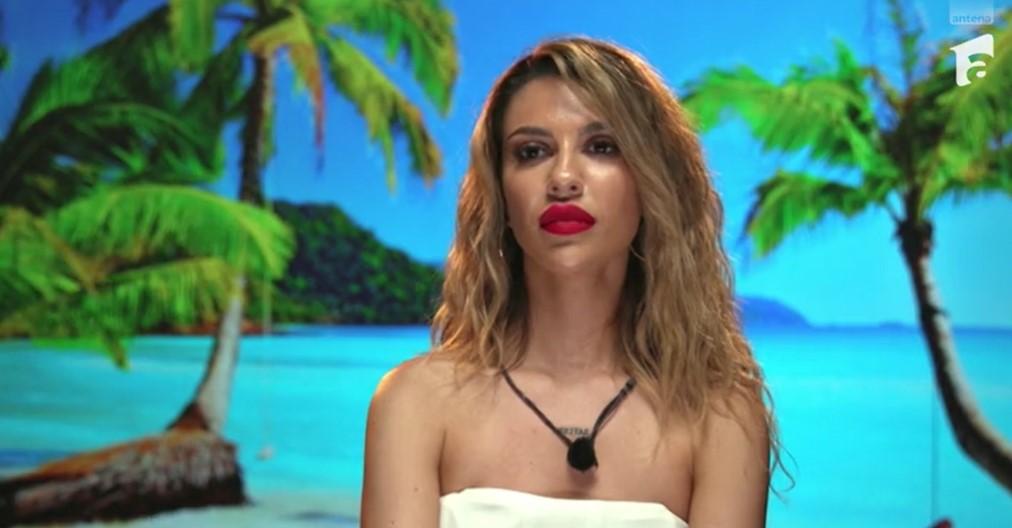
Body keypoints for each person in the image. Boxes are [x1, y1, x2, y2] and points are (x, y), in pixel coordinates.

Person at [360, 36, 787, 528]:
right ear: (500, 194)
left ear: (651, 182)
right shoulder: (414, 404)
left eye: (602, 147)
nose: (563, 177)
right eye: (532, 152)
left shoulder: (720, 418)